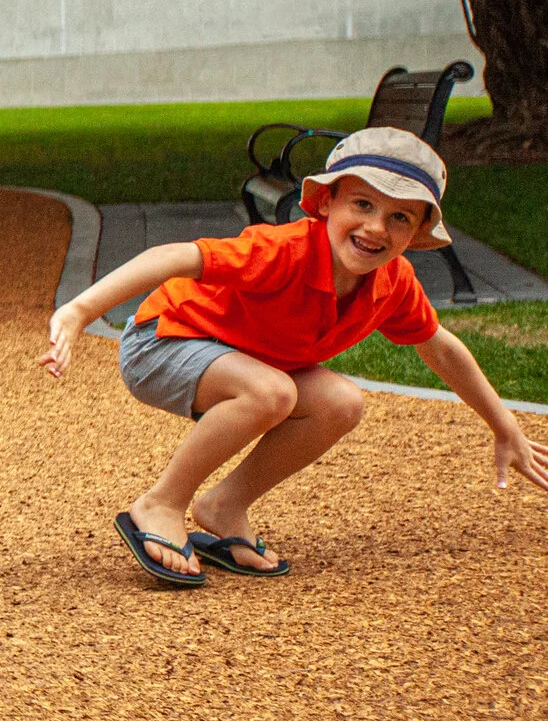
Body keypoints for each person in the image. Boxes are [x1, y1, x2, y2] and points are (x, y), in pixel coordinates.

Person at [42, 127, 548, 583]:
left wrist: (503, 425)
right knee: (273, 391)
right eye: (363, 205)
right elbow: (174, 256)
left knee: (342, 403)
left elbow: (440, 347)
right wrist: (79, 312)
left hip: (239, 360)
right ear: (326, 203)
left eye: (399, 217)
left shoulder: (392, 284)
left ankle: (224, 506)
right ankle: (160, 505)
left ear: (415, 235)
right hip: (161, 342)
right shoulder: (283, 251)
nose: (376, 227)